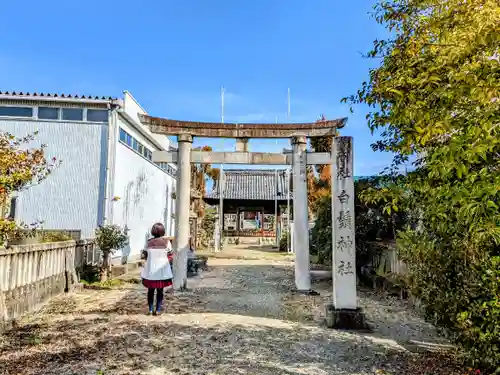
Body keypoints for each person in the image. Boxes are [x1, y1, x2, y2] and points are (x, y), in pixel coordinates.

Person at [141, 223, 173, 315]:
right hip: (162, 271)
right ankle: (158, 310)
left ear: (153, 231)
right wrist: (166, 262)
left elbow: (144, 255)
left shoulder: (148, 242)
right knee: (160, 291)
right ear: (163, 231)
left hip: (151, 271)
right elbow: (170, 255)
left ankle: (150, 309)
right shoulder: (167, 243)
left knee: (150, 291)